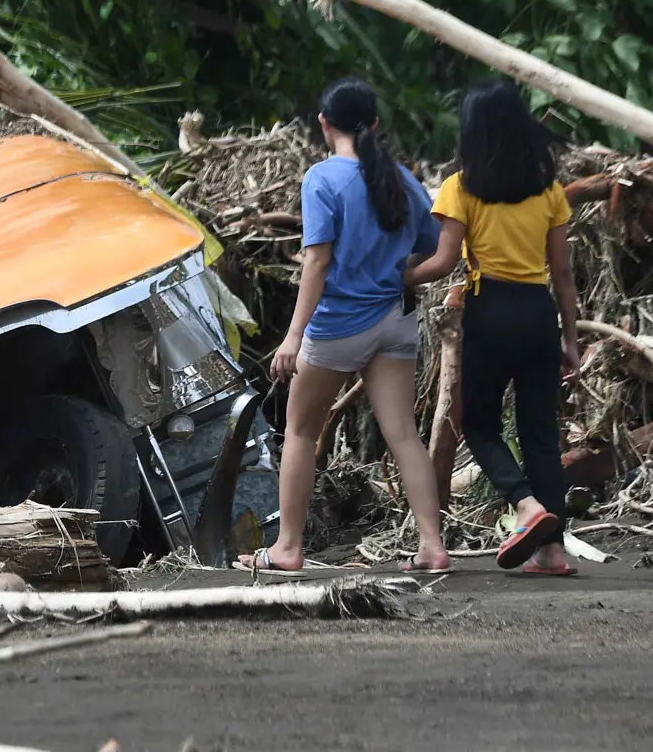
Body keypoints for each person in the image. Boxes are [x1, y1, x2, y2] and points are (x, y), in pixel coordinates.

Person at [239, 78, 451, 575]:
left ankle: (288, 547)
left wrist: (293, 337)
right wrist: (398, 273)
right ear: (375, 125)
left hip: (338, 326)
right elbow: (432, 243)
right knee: (402, 434)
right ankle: (432, 545)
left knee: (299, 430)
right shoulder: (401, 179)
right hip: (395, 321)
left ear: (323, 123)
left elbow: (316, 263)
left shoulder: (321, 179)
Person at [406, 79, 581, 575]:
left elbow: (442, 262)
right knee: (541, 433)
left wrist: (402, 277)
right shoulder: (548, 191)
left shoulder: (462, 187)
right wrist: (570, 339)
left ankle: (526, 506)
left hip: (491, 310)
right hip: (538, 311)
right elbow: (563, 274)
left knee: (480, 423)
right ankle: (553, 551)